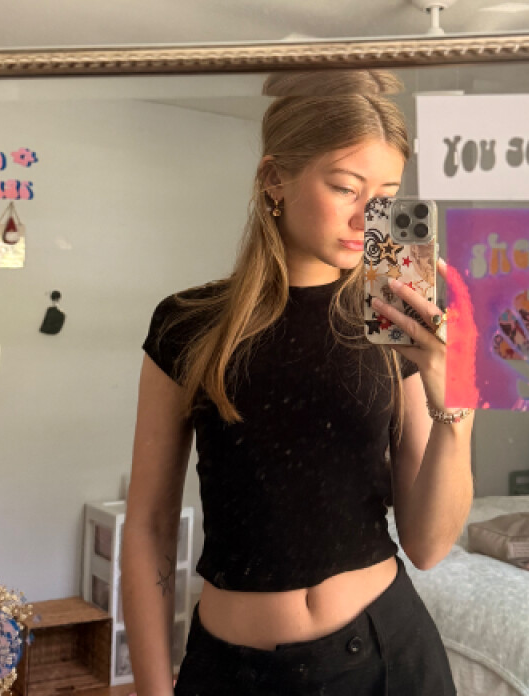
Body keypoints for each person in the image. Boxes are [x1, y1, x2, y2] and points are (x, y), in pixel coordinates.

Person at [122, 69, 476, 696]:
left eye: (386, 195)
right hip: (228, 673)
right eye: (345, 187)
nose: (368, 217)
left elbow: (427, 545)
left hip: (384, 662)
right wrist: (152, 688)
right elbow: (149, 524)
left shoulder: (394, 318)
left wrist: (457, 404)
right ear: (274, 179)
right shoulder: (187, 322)